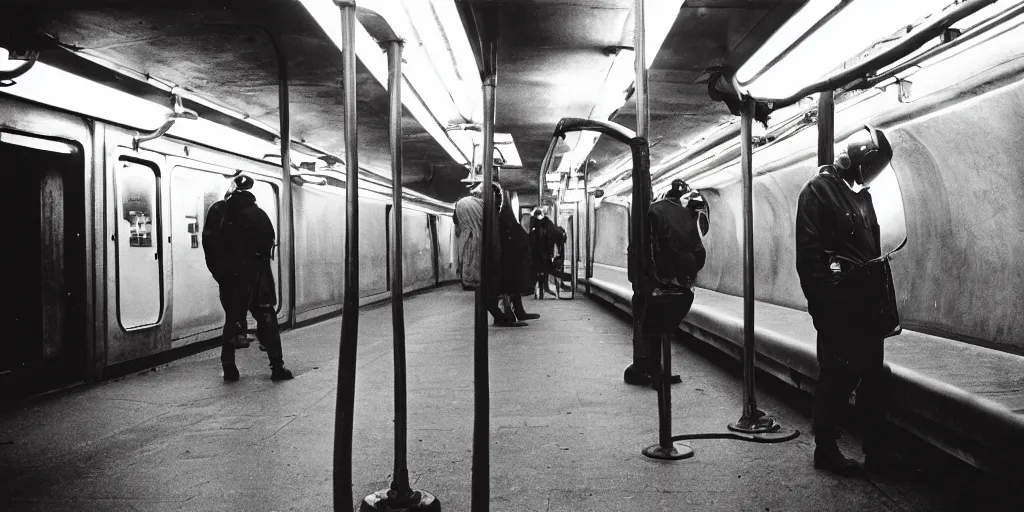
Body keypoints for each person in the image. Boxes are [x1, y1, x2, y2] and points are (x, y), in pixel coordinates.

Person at [796, 127, 898, 476]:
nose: (871, 176)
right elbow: (810, 259)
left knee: (874, 378)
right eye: (870, 167)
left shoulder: (862, 197)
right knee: (837, 377)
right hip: (839, 305)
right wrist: (822, 308)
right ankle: (826, 449)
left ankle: (878, 451)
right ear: (856, 159)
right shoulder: (817, 192)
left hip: (867, 304)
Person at [203, 175, 293, 382]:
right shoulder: (258, 214)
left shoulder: (218, 211)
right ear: (249, 193)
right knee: (267, 316)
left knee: (232, 318)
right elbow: (269, 242)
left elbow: (209, 245)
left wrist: (221, 275)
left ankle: (229, 368)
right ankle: (277, 367)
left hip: (230, 277)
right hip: (257, 275)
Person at [623, 179, 705, 386]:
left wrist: (645, 279)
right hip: (682, 285)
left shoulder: (652, 211)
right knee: (664, 328)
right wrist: (688, 274)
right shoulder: (687, 215)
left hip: (655, 281)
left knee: (648, 326)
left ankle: (647, 369)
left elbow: (645, 248)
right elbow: (699, 251)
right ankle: (658, 370)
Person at [455, 183, 526, 327]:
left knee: (486, 290)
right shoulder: (483, 216)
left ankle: (502, 316)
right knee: (488, 290)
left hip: (475, 256)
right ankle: (501, 317)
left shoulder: (465, 213)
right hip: (485, 257)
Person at [497, 187, 539, 322]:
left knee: (511, 287)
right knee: (508, 287)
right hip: (508, 262)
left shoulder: (501, 221)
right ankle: (507, 314)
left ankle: (515, 312)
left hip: (509, 261)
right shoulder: (507, 223)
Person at [529, 209, 561, 298]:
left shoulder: (535, 228)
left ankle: (540, 290)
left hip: (538, 255)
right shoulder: (547, 225)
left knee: (539, 271)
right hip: (544, 254)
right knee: (545, 271)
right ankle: (544, 288)